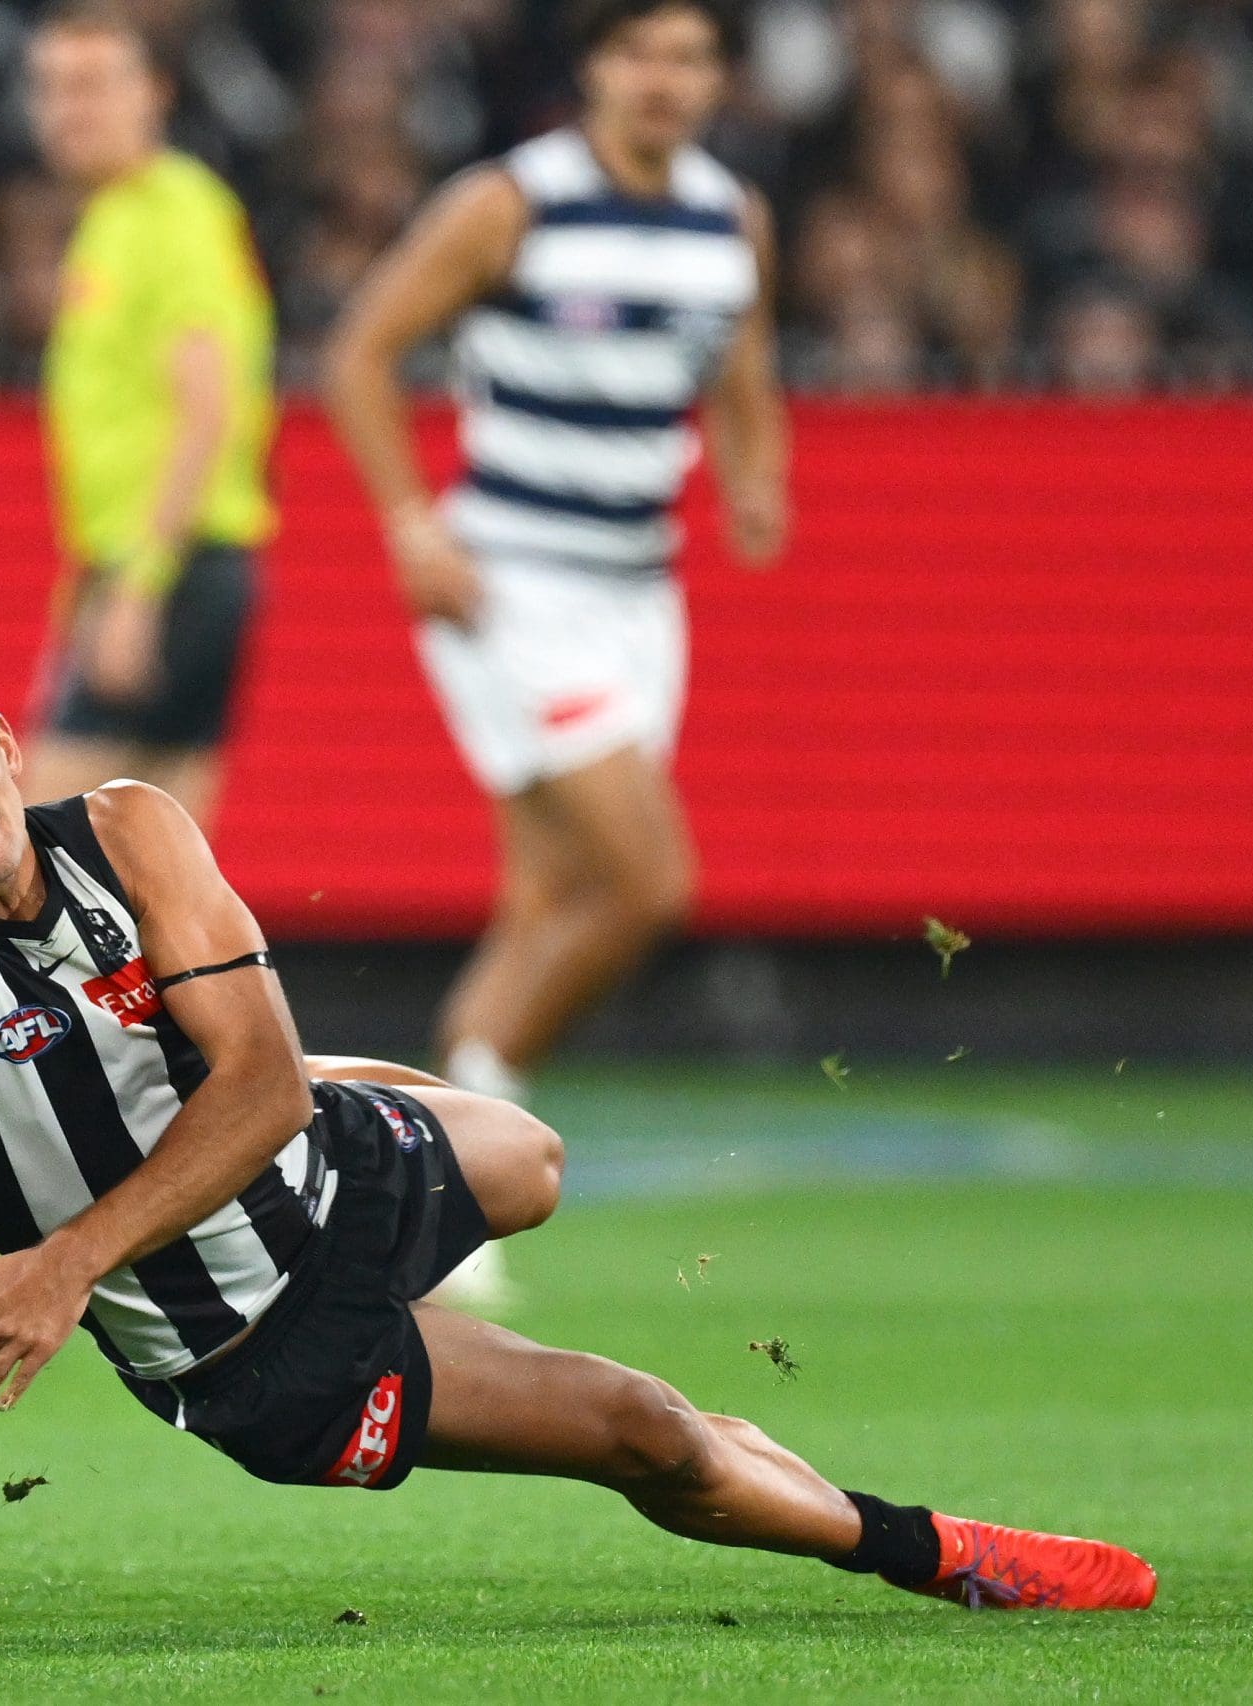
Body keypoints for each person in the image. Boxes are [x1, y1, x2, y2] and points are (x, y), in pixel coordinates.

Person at [0, 624, 1158, 1614]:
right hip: (259, 1344)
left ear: (3, 734)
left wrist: (64, 1259)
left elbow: (253, 1084)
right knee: (642, 1426)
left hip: (319, 1155)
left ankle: (352, 1099)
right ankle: (930, 1552)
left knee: (532, 1158)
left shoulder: (126, 822)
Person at [321, 0, 787, 1136]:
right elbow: (359, 353)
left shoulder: (733, 218)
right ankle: (475, 1098)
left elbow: (743, 367)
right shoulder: (510, 201)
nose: (663, 80)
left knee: (551, 897)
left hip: (639, 589)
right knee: (645, 884)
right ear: (594, 69)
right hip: (515, 586)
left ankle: (435, 1170)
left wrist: (754, 476)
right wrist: (410, 524)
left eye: (688, 57)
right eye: (639, 54)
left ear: (719, 77)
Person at [19, 1, 277, 827]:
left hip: (173, 567)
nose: (69, 109)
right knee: (164, 867)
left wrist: (135, 587)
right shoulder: (118, 216)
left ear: (155, 93)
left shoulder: (176, 216)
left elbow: (207, 410)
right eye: (52, 87)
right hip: (169, 565)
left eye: (93, 85)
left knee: (35, 847)